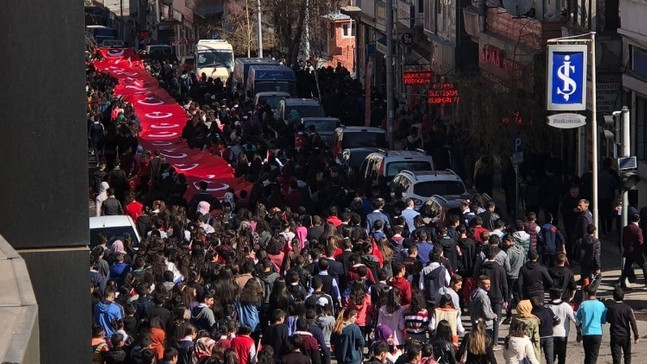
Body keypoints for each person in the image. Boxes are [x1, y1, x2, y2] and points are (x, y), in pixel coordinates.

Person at [606, 286, 639, 364]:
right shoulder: (628, 308)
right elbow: (633, 322)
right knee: (627, 355)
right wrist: (636, 335)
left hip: (615, 335)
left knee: (616, 357)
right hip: (625, 335)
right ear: (623, 297)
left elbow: (608, 320)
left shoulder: (611, 308)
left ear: (613, 297)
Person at [575, 285, 607, 364]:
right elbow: (603, 321)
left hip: (586, 333)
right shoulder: (601, 305)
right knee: (594, 356)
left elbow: (577, 320)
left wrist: (578, 332)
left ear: (586, 293)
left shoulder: (583, 305)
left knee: (587, 356)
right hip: (597, 333)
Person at [546, 288, 576, 364]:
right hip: (563, 334)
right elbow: (575, 320)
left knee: (551, 358)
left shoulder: (546, 306)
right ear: (561, 295)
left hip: (550, 334)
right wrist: (579, 330)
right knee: (562, 357)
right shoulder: (566, 306)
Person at [620, 214, 646, 288]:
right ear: (639, 220)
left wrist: (626, 248)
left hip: (629, 251)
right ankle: (646, 282)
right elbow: (640, 242)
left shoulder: (626, 228)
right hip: (637, 252)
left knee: (627, 268)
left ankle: (622, 283)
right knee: (644, 266)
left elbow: (623, 241)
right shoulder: (638, 229)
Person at [469, 276, 497, 341]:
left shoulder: (474, 293)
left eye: (489, 283)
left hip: (476, 323)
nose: (489, 285)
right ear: (480, 284)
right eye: (486, 284)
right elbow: (486, 314)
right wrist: (493, 315)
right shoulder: (484, 297)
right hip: (485, 326)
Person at [530, 296, 555, 364]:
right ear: (541, 302)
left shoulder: (532, 313)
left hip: (538, 336)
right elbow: (557, 320)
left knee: (536, 357)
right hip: (549, 335)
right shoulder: (548, 310)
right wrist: (551, 326)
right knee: (550, 358)